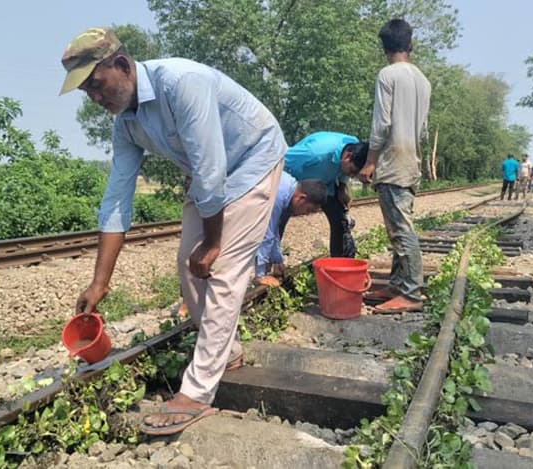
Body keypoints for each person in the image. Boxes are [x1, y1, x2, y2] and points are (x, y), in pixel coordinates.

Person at [60, 27, 287, 435]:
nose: (96, 98)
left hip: (253, 157)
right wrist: (99, 282)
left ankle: (197, 392)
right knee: (187, 263)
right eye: (87, 93)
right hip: (211, 177)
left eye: (97, 85)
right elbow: (117, 197)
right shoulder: (126, 123)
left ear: (123, 66)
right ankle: (225, 350)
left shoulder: (181, 82)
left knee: (225, 268)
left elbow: (210, 171)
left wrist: (215, 242)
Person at [357, 19, 431, 314]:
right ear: (410, 44)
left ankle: (411, 293)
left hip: (392, 162)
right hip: (411, 160)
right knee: (398, 228)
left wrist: (370, 162)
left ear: (384, 47)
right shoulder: (423, 80)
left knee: (401, 230)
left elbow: (382, 124)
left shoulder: (387, 75)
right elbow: (423, 130)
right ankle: (398, 283)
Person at [284, 132, 369, 257]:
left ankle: (338, 263)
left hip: (325, 185)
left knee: (340, 220)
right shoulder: (315, 152)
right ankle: (272, 263)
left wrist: (342, 186)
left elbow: (344, 174)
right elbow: (283, 160)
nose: (352, 176)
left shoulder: (354, 144)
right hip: (297, 184)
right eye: (352, 172)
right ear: (347, 156)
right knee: (280, 219)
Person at [254, 174, 327, 287]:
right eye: (308, 210)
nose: (306, 214)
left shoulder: (289, 189)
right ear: (301, 198)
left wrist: (277, 259)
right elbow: (266, 232)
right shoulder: (278, 195)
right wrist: (260, 274)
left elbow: (274, 229)